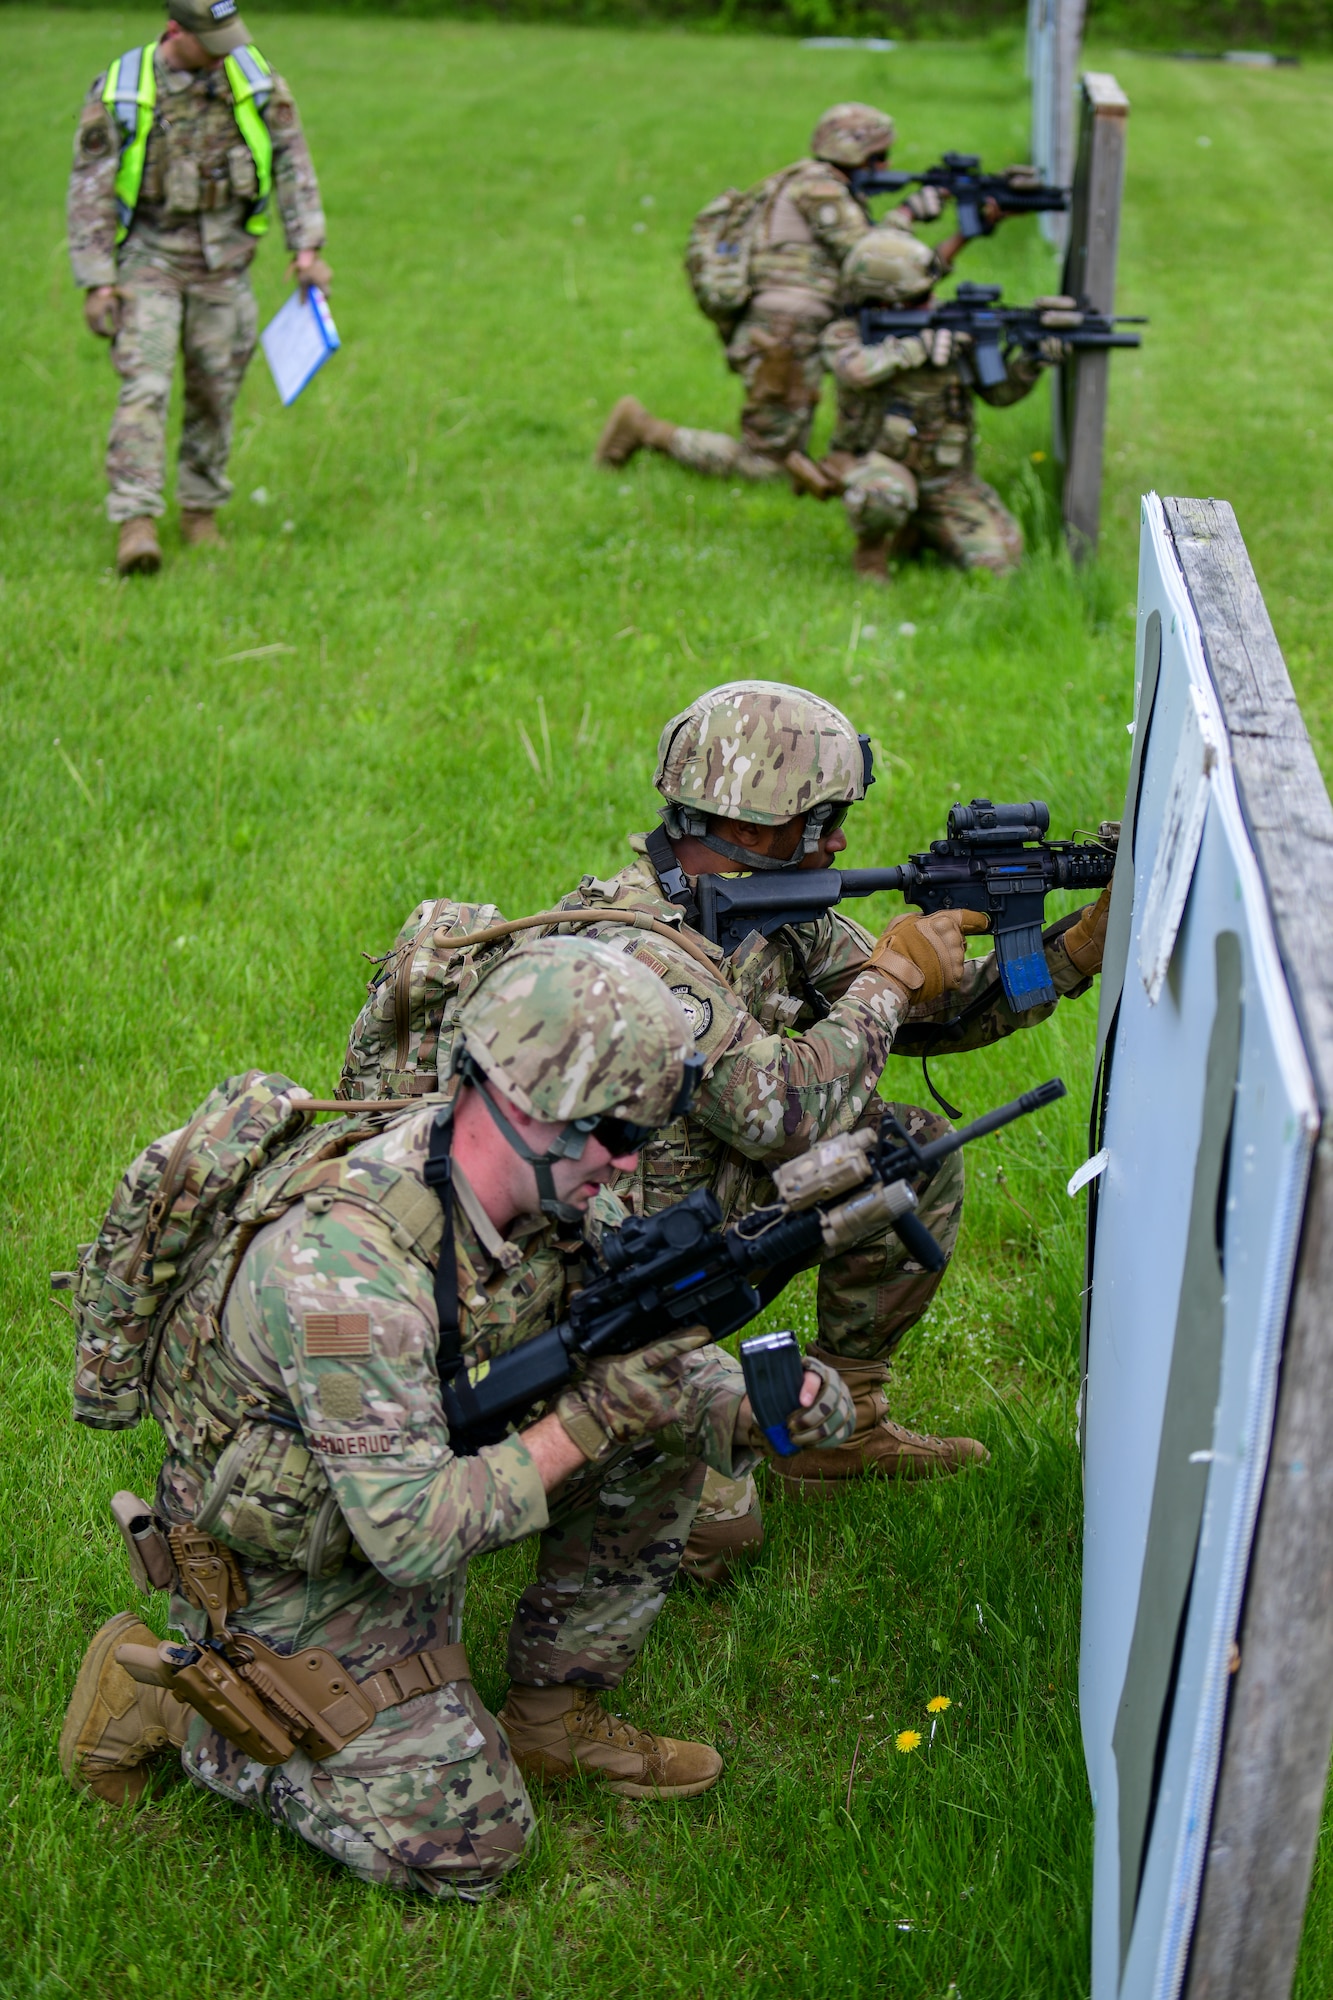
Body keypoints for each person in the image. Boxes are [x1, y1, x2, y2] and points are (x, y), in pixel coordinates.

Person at [59, 936, 856, 1898]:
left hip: (419, 1459)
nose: (630, 1162)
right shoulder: (345, 1277)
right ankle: (178, 1709)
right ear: (532, 1112)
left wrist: (754, 1404)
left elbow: (634, 1353)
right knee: (470, 1848)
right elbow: (407, 1536)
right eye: (618, 1134)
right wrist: (590, 1421)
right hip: (305, 1551)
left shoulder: (549, 1189)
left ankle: (555, 1713)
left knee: (653, 1421)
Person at [337, 685, 1111, 1584]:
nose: (840, 842)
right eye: (823, 820)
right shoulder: (649, 958)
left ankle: (845, 1426)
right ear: (763, 822)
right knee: (716, 1546)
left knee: (908, 1147)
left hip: (699, 1216)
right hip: (602, 1279)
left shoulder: (774, 910)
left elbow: (913, 1023)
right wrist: (892, 980)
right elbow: (786, 1113)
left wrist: (1073, 948)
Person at [67, 0, 328, 577]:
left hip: (226, 264)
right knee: (146, 386)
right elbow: (90, 188)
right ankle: (136, 522)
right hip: (150, 260)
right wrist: (97, 281)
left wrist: (306, 247)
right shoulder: (124, 89)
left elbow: (293, 160)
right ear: (174, 30)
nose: (222, 52)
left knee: (216, 390)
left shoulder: (253, 78)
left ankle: (200, 512)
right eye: (210, 41)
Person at [593, 103, 957, 487]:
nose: (885, 166)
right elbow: (868, 257)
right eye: (879, 156)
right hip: (785, 332)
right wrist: (908, 213)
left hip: (787, 328)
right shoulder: (820, 189)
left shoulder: (817, 183)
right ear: (853, 152)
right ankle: (645, 430)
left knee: (787, 448)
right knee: (767, 467)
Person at [787, 226, 1068, 580]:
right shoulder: (846, 334)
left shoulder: (950, 330)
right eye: (919, 298)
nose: (930, 303)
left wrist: (1031, 361)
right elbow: (854, 370)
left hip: (947, 480)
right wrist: (918, 348)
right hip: (878, 466)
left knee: (1000, 564)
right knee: (884, 497)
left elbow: (998, 394)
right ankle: (872, 555)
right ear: (885, 301)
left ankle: (918, 531)